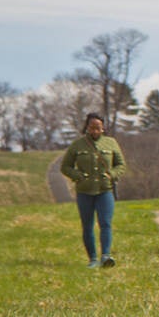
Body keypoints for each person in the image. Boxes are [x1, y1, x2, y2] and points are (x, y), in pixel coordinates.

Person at [60, 113, 127, 268]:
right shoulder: (78, 145)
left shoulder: (111, 143)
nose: (95, 131)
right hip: (85, 191)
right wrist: (78, 176)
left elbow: (121, 165)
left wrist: (112, 174)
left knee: (105, 223)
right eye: (92, 128)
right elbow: (65, 167)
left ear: (103, 128)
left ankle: (106, 256)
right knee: (87, 225)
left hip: (105, 190)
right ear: (87, 128)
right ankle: (93, 259)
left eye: (98, 128)